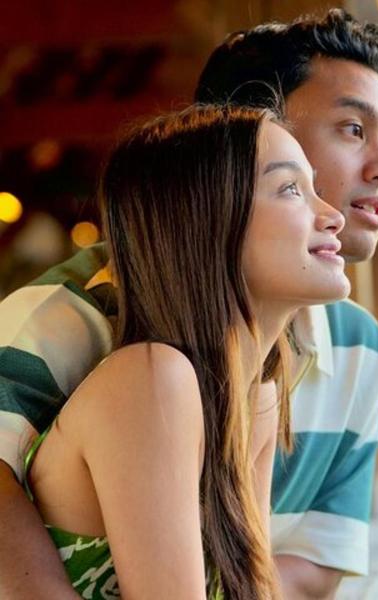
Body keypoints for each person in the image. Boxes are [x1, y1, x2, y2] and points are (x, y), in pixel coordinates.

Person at [0, 9, 378, 600]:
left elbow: (291, 574)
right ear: (225, 154)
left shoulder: (268, 390)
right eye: (352, 129)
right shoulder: (94, 336)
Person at [26, 104, 347, 598]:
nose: (333, 216)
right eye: (290, 189)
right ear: (206, 220)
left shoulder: (254, 400)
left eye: (315, 189)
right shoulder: (149, 379)